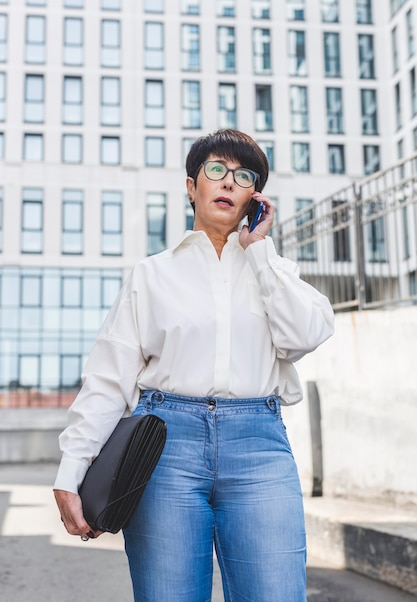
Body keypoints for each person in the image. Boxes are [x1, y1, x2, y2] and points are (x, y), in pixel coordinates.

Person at [54, 129, 334, 602]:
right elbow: (109, 376)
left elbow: (305, 335)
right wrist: (72, 467)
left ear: (254, 199)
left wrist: (260, 252)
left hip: (259, 450)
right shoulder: (153, 274)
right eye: (216, 171)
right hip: (165, 448)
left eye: (243, 176)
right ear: (192, 186)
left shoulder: (276, 273)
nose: (228, 183)